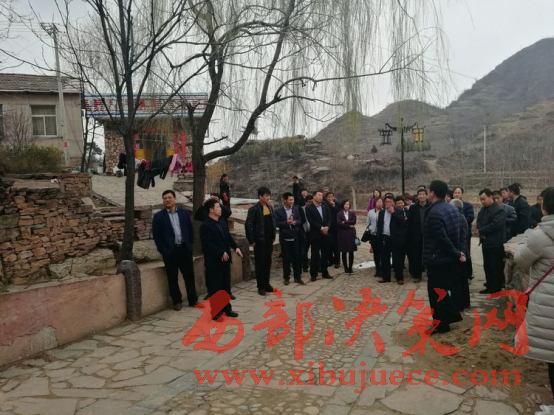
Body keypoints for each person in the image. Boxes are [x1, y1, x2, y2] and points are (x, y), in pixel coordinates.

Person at [514, 187, 554, 411]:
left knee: (552, 359)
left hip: (548, 305)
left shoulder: (540, 235)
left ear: (544, 207)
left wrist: (524, 241)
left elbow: (520, 259)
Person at [423, 180, 464, 335]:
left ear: (432, 193)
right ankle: (451, 316)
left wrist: (456, 253)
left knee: (436, 293)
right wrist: (458, 252)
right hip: (448, 258)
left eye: (429, 191)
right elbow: (458, 233)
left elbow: (442, 238)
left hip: (438, 258)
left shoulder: (434, 212)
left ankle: (441, 324)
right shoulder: (451, 208)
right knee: (441, 290)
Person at [152, 190, 200, 311]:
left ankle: (193, 299)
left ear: (175, 199)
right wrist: (163, 250)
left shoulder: (184, 213)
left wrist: (189, 245)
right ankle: (177, 301)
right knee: (172, 278)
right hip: (170, 251)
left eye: (169, 197)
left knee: (189, 276)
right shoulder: (159, 217)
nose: (167, 200)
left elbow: (190, 230)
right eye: (165, 198)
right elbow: (157, 236)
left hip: (184, 249)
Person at [200, 199, 242, 320]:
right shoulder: (205, 225)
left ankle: (227, 308)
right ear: (211, 210)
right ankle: (216, 311)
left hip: (225, 259)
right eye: (218, 207)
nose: (220, 209)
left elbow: (228, 237)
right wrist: (220, 252)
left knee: (225, 285)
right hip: (214, 261)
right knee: (215, 286)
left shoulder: (222, 221)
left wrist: (236, 247)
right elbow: (207, 244)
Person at [245, 187, 276, 296]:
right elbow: (248, 225)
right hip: (259, 240)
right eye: (266, 195)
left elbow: (273, 222)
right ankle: (261, 286)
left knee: (268, 262)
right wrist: (251, 240)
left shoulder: (270, 207)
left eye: (269, 195)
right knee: (260, 263)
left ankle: (267, 284)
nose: (268, 197)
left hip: (269, 239)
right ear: (260, 196)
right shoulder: (254, 209)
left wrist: (273, 236)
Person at [476, 188, 507, 294]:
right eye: (481, 199)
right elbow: (479, 221)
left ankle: (496, 288)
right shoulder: (483, 210)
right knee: (487, 266)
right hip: (485, 243)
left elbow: (495, 225)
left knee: (496, 266)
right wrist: (480, 231)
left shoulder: (498, 210)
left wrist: (482, 231)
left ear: (490, 197)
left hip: (495, 243)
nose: (482, 201)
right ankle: (489, 286)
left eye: (484, 199)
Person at [274, 192, 305, 285]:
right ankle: (286, 277)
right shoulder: (278, 211)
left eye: (293, 199)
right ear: (285, 200)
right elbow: (276, 223)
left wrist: (294, 222)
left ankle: (297, 277)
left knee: (296, 257)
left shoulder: (295, 209)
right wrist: (286, 223)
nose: (292, 201)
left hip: (295, 236)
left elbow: (300, 220)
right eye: (290, 200)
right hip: (285, 237)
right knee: (286, 258)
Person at [377, 195, 407, 285]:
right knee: (384, 259)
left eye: (390, 202)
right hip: (385, 238)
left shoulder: (399, 211)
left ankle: (399, 278)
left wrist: (393, 212)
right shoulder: (382, 212)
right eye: (386, 202)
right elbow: (380, 225)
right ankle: (386, 277)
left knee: (397, 259)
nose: (388, 204)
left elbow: (402, 223)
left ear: (393, 203)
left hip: (395, 239)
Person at [306, 190, 332, 281]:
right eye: (319, 195)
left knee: (325, 254)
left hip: (325, 234)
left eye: (321, 195)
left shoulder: (324, 206)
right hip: (315, 235)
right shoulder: (309, 208)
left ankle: (325, 272)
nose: (321, 197)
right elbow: (311, 221)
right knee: (315, 255)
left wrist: (327, 227)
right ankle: (313, 274)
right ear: (314, 197)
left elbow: (329, 218)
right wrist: (321, 228)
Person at [450, 199, 471, 311]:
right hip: (462, 252)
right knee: (461, 279)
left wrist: (460, 253)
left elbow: (462, 237)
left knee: (458, 279)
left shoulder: (459, 218)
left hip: (460, 253)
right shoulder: (461, 217)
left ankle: (459, 304)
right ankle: (464, 302)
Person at [407, 188, 429, 283]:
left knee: (429, 255)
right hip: (416, 235)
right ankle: (417, 275)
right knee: (417, 255)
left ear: (426, 196)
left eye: (423, 194)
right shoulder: (413, 208)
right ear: (417, 196)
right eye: (419, 194)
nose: (421, 196)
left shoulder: (431, 206)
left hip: (428, 235)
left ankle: (431, 275)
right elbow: (409, 223)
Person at [453, 187, 475, 279]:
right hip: (453, 233)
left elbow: (470, 217)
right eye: (455, 192)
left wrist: (459, 221)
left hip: (465, 233)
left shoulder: (467, 205)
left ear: (462, 194)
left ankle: (468, 274)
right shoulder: (450, 205)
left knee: (466, 253)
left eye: (459, 193)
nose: (457, 194)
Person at [337, 200, 357, 274]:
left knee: (351, 251)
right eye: (345, 204)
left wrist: (344, 222)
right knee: (344, 252)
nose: (346, 205)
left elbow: (354, 221)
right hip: (342, 234)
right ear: (343, 205)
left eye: (348, 204)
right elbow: (339, 223)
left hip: (351, 234)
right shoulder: (339, 213)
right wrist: (349, 225)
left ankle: (350, 267)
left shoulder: (352, 213)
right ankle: (346, 268)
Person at [366, 197, 383, 277]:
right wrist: (371, 228)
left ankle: (383, 269)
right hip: (373, 235)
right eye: (378, 202)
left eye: (380, 202)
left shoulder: (384, 211)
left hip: (382, 235)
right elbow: (368, 223)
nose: (379, 203)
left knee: (382, 253)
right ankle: (378, 270)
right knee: (376, 253)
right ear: (375, 203)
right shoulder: (371, 212)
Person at [326, 192, 341, 268]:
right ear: (326, 198)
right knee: (328, 245)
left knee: (336, 245)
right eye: (328, 197)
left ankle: (337, 261)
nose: (330, 198)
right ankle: (330, 260)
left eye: (331, 196)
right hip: (328, 228)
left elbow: (339, 213)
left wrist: (334, 206)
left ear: (334, 197)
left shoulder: (337, 204)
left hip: (336, 228)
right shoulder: (324, 205)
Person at [301, 195, 313, 272]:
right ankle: (305, 266)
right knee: (304, 250)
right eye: (309, 202)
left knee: (315, 250)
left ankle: (316, 265)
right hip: (305, 232)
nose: (310, 203)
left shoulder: (314, 208)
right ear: (305, 202)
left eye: (311, 202)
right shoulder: (301, 209)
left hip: (313, 232)